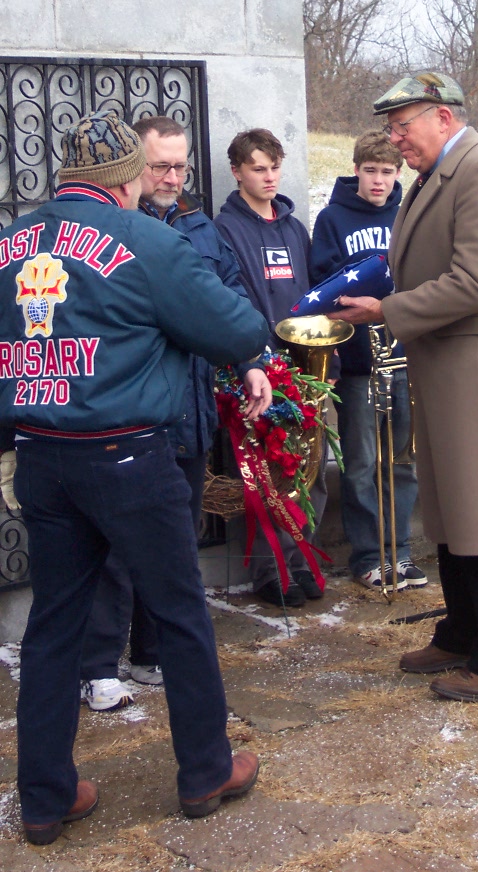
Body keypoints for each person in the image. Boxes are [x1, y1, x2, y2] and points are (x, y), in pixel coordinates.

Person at [0, 111, 270, 844]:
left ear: (65, 178)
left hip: (42, 456)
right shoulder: (147, 240)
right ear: (124, 178)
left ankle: (46, 798)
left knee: (54, 625)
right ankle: (205, 770)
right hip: (127, 456)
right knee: (179, 611)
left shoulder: (8, 246)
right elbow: (235, 329)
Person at [329, 71, 478, 704]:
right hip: (454, 369)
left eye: (404, 125)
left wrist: (386, 309)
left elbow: (475, 283)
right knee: (460, 511)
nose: (397, 139)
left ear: (444, 116)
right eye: (392, 128)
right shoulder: (441, 174)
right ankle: (462, 633)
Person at [78, 115, 272, 712]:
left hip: (186, 412)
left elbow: (229, 297)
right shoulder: (110, 230)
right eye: (158, 165)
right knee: (111, 552)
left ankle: (152, 651)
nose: (170, 177)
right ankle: (97, 666)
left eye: (180, 166)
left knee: (177, 542)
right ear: (131, 168)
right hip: (124, 417)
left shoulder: (198, 226)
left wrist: (249, 361)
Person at [214, 128, 326, 608]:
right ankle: (270, 570)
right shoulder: (225, 229)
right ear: (237, 171)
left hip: (305, 368)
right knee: (264, 474)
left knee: (310, 470)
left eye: (275, 167)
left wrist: (328, 357)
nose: (269, 177)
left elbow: (315, 294)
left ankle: (302, 560)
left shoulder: (293, 226)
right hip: (259, 370)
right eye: (258, 168)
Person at [309, 130, 426, 591]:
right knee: (361, 463)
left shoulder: (408, 212)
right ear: (356, 170)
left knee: (401, 461)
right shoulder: (333, 218)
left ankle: (401, 552)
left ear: (399, 174)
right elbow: (324, 284)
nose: (379, 181)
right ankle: (367, 556)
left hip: (405, 357)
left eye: (388, 172)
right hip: (359, 361)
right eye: (371, 171)